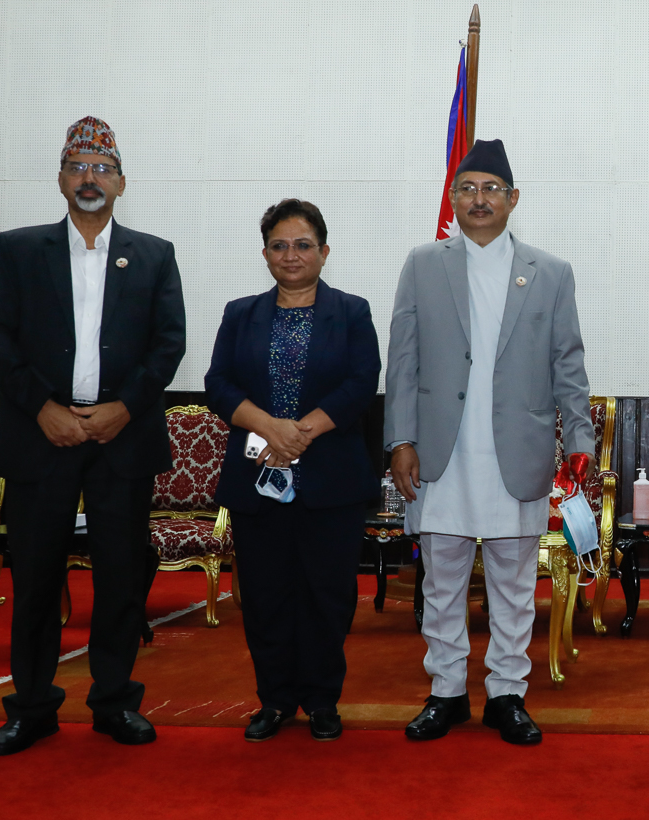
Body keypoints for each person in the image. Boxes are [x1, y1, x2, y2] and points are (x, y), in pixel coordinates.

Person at [0, 117, 186, 755]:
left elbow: (168, 343)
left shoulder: (154, 253)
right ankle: (33, 707)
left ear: (121, 182)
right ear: (61, 180)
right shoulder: (19, 248)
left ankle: (114, 702)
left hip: (122, 434)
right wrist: (42, 407)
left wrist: (124, 407)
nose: (89, 178)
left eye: (102, 168)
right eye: (78, 167)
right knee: (37, 577)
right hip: (43, 434)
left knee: (121, 578)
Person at [384, 139, 594, 745]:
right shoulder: (423, 263)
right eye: (468, 188)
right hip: (439, 452)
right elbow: (402, 362)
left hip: (517, 450)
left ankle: (507, 694)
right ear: (453, 198)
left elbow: (568, 367)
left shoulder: (550, 272)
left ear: (513, 199)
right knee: (441, 582)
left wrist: (578, 444)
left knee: (512, 584)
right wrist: (399, 439)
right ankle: (446, 692)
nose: (480, 199)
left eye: (491, 189)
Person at [205, 199, 380, 743]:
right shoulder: (241, 314)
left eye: (303, 244)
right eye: (279, 245)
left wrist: (302, 430)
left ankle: (323, 701)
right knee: (265, 596)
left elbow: (361, 381)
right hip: (258, 478)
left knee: (328, 596)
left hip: (330, 480)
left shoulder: (351, 312)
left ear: (324, 252)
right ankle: (276, 700)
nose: (291, 255)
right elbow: (219, 385)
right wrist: (270, 427)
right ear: (265, 254)